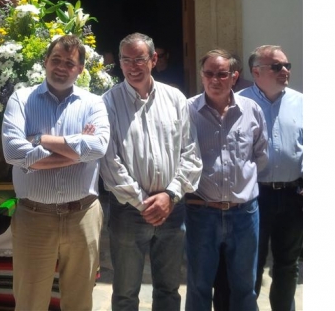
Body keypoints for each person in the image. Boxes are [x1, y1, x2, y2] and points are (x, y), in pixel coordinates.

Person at [1, 34, 110, 311]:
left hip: (83, 216)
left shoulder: (93, 103)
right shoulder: (21, 100)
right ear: (45, 61)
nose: (61, 67)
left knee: (79, 301)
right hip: (34, 217)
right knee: (29, 302)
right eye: (56, 60)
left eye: (70, 63)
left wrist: (38, 141)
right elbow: (13, 153)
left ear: (81, 69)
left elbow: (97, 148)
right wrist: (76, 152)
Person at [100, 33, 202, 311]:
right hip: (128, 213)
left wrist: (170, 195)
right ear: (119, 63)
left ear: (154, 59)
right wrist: (143, 202)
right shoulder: (107, 103)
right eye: (126, 60)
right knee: (125, 293)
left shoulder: (175, 98)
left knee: (169, 290)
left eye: (140, 59)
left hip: (172, 209)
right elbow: (109, 162)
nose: (133, 67)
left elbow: (191, 153)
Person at [185, 49, 268, 311]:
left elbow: (260, 156)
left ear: (234, 76)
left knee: (245, 287)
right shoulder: (187, 111)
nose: (215, 79)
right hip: (201, 213)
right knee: (198, 286)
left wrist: (242, 185)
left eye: (222, 74)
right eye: (209, 73)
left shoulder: (251, 110)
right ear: (202, 76)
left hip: (244, 214)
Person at [240, 45, 303, 311]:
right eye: (277, 66)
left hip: (293, 195)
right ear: (257, 71)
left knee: (288, 265)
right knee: (251, 264)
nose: (285, 71)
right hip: (255, 197)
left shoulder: (302, 102)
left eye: (287, 65)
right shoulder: (239, 103)